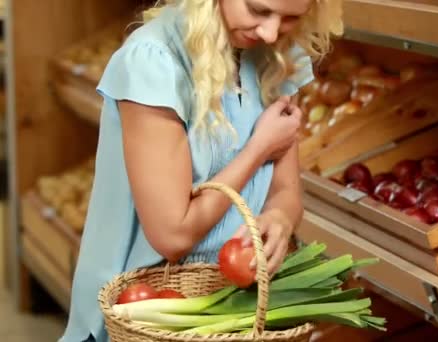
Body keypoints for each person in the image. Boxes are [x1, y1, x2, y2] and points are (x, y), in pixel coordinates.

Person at [59, 0, 343, 341]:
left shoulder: (276, 56)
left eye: (290, 18)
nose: (270, 33)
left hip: (227, 307)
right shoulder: (154, 62)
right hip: (144, 313)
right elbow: (172, 236)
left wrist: (281, 218)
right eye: (258, 10)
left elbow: (286, 191)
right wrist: (259, 149)